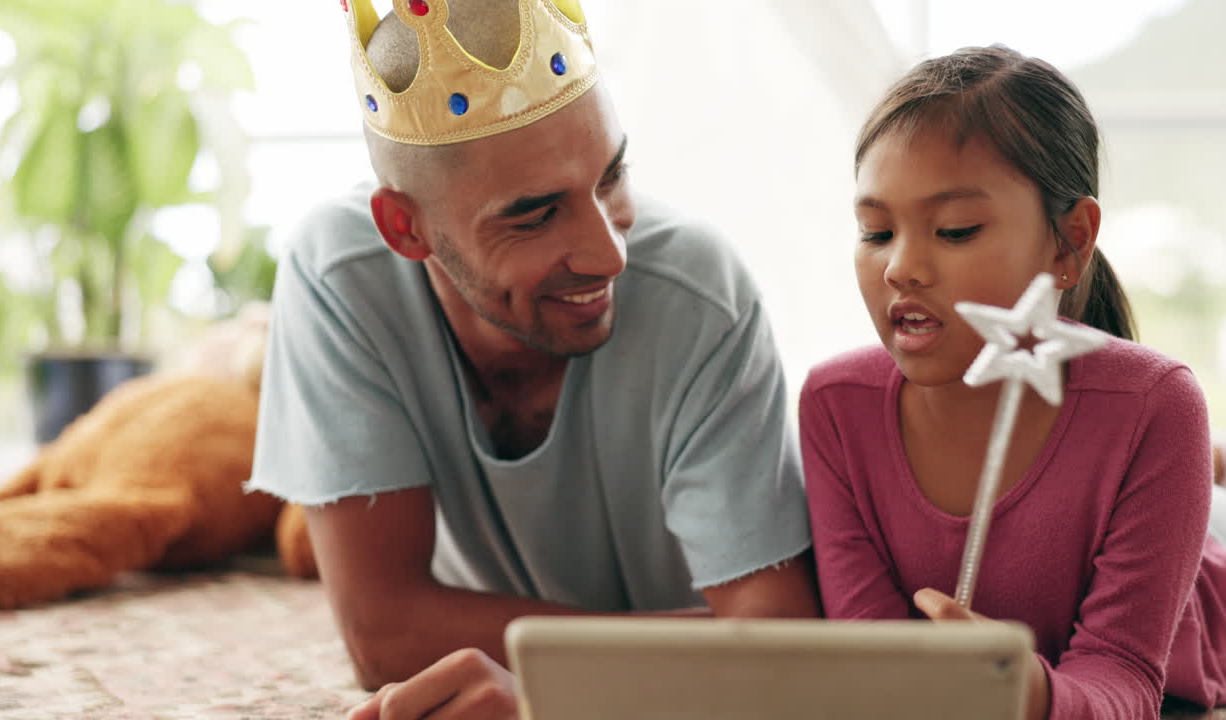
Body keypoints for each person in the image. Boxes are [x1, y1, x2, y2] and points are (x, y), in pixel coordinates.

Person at [245, 0, 822, 705]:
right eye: (537, 214)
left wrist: (556, 692)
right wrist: (689, 647)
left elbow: (779, 647)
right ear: (406, 228)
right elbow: (382, 633)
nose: (611, 255)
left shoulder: (699, 295)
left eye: (611, 176)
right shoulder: (337, 274)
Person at [800, 44, 1226, 719]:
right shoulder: (832, 405)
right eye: (875, 232)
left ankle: (1213, 464)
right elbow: (869, 645)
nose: (901, 267)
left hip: (1222, 590)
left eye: (955, 230)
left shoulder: (1158, 403)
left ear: (1070, 241)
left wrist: (1020, 688)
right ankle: (1212, 464)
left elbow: (1125, 676)